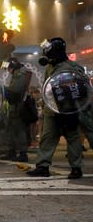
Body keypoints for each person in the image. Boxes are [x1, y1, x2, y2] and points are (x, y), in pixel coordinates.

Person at [27, 37, 84, 179]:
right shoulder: (50, 68)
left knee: (73, 139)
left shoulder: (73, 67)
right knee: (47, 139)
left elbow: (81, 89)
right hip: (52, 111)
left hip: (68, 110)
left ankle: (76, 168)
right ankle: (42, 167)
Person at [0, 58, 32, 162]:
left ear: (13, 67)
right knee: (11, 130)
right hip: (14, 107)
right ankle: (11, 151)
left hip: (18, 106)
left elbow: (16, 90)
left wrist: (4, 88)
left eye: (8, 68)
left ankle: (23, 153)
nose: (8, 71)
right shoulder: (18, 74)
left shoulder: (20, 75)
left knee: (19, 131)